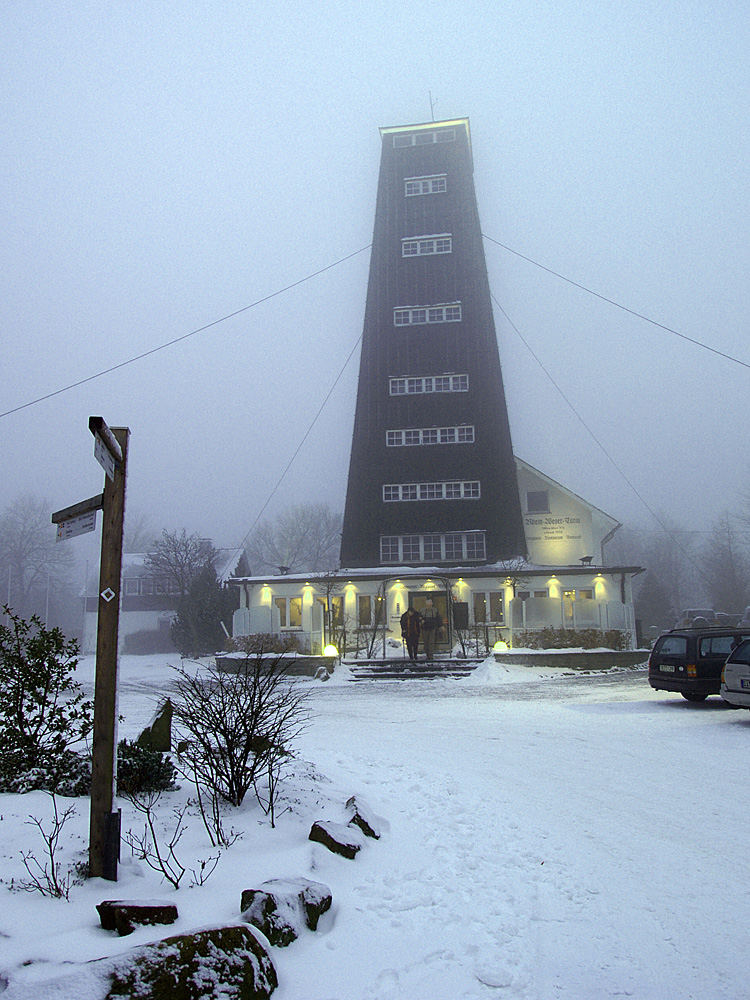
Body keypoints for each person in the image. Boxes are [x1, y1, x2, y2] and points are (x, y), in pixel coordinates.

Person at [420, 597, 442, 661]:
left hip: (432, 628)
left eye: (430, 604)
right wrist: (421, 621)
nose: (429, 605)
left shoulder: (435, 610)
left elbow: (438, 618)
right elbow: (419, 617)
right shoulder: (422, 610)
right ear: (426, 604)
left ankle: (431, 655)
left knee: (431, 642)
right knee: (426, 642)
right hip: (425, 628)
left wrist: (440, 626)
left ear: (432, 604)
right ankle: (427, 654)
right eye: (428, 604)